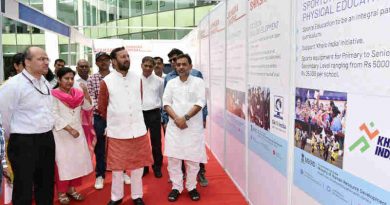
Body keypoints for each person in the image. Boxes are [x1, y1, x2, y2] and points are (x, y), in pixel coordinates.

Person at [0, 46, 55, 205]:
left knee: (45, 184)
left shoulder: (45, 82)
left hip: (46, 138)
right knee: (23, 188)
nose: (46, 62)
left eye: (46, 59)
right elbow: (4, 117)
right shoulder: (13, 85)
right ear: (27, 62)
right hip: (23, 142)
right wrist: (14, 137)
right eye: (41, 59)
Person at [99, 47, 153, 205]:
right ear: (114, 61)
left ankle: (137, 196)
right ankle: (116, 197)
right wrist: (118, 118)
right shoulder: (106, 81)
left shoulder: (138, 78)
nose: (126, 59)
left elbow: (139, 100)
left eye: (128, 56)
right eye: (123, 57)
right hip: (117, 131)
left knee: (137, 168)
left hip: (138, 129)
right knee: (117, 168)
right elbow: (102, 108)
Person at [164, 54, 207, 202]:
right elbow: (166, 103)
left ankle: (191, 186)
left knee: (193, 159)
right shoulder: (171, 83)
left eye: (184, 64)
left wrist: (185, 118)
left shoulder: (198, 82)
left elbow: (201, 102)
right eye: (178, 64)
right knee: (174, 158)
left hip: (192, 126)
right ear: (175, 66)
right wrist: (177, 119)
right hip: (174, 127)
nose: (181, 67)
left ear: (190, 66)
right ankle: (176, 187)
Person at [52, 67, 93, 204]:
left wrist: (86, 92)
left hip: (78, 133)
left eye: (71, 78)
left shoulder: (78, 93)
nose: (69, 81)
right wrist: (69, 129)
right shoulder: (53, 94)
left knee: (76, 162)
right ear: (59, 79)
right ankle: (61, 192)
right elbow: (53, 115)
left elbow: (87, 107)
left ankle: (72, 189)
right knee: (63, 163)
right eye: (66, 78)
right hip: (62, 134)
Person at [141, 56, 164, 178]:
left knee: (156, 142)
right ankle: (143, 168)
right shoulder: (136, 80)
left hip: (154, 113)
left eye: (151, 66)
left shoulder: (160, 81)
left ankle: (157, 166)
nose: (148, 68)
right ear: (141, 65)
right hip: (140, 114)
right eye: (146, 65)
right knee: (142, 143)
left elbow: (161, 98)